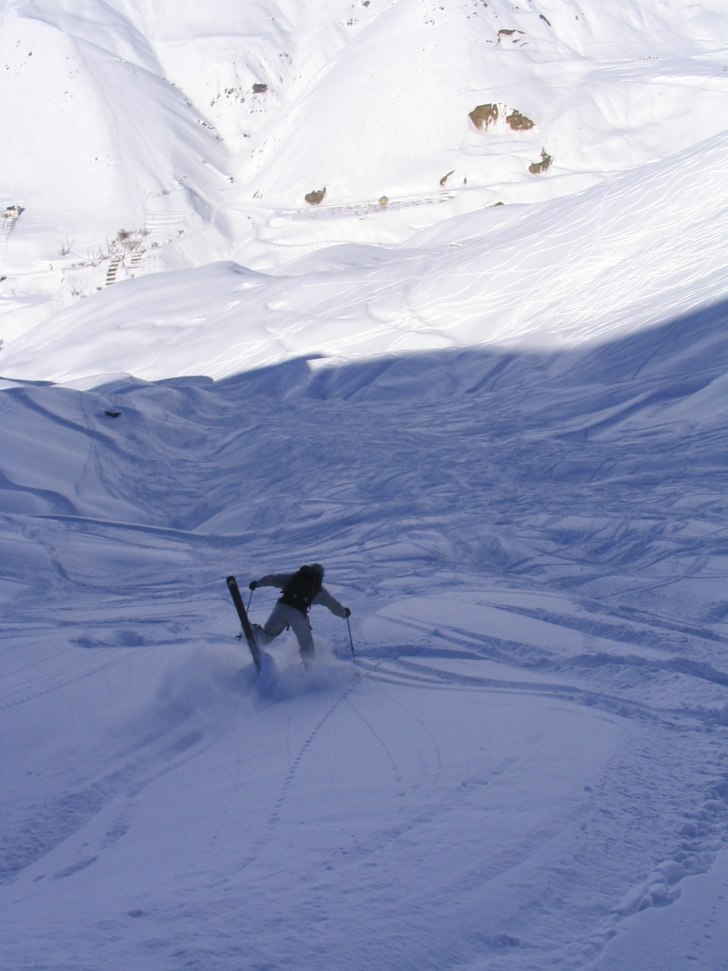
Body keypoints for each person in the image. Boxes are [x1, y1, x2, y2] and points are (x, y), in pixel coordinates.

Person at [248, 563, 350, 664]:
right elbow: (333, 605)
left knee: (266, 637)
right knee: (306, 642)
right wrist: (344, 613)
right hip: (298, 614)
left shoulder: (294, 577)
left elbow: (274, 579)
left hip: (281, 608)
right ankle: (309, 666)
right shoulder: (319, 590)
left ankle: (252, 630)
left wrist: (258, 583)